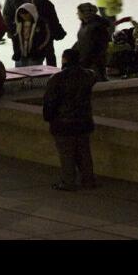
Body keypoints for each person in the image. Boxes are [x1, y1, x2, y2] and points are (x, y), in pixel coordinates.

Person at [42, 48, 98, 191]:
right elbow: (93, 75)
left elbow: (50, 102)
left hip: (63, 123)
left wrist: (49, 118)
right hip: (83, 121)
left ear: (64, 60)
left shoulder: (56, 79)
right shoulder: (88, 76)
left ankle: (68, 182)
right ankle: (88, 180)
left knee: (66, 154)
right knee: (84, 153)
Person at [74, 3, 112, 81]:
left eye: (79, 12)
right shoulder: (85, 24)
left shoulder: (96, 26)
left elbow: (96, 46)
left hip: (94, 62)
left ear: (85, 13)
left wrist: (85, 60)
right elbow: (82, 41)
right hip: (86, 60)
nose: (77, 14)